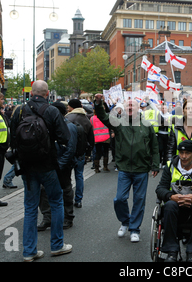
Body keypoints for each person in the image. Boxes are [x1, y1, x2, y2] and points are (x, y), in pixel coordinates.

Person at [10, 80, 72, 262]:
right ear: (47, 94)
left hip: (27, 167)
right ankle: (57, 245)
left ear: (31, 93)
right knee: (56, 202)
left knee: (30, 207)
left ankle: (29, 251)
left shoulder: (19, 111)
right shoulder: (52, 110)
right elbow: (65, 137)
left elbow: (13, 139)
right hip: (48, 165)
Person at [93, 94, 159, 243]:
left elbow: (155, 147)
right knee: (120, 199)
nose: (130, 107)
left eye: (133, 105)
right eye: (127, 105)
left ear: (138, 108)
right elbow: (103, 117)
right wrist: (98, 102)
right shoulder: (118, 123)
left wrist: (155, 164)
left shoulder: (147, 125)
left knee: (139, 200)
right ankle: (125, 221)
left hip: (141, 169)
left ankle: (135, 229)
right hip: (124, 168)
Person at [155, 139, 192, 262]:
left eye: (187, 153)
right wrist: (171, 196)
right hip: (175, 205)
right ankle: (172, 252)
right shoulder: (170, 165)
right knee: (169, 206)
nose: (183, 156)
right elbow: (160, 188)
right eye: (181, 153)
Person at [38, 102, 77, 230]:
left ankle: (68, 217)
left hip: (62, 166)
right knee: (43, 191)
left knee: (65, 190)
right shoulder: (52, 125)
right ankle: (47, 217)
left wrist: (59, 165)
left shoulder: (69, 127)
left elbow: (70, 150)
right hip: (51, 165)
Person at [66, 99, 95, 207]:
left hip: (69, 152)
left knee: (67, 177)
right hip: (81, 153)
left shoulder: (67, 118)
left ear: (72, 107)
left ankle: (68, 198)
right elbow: (91, 138)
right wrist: (88, 153)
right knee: (79, 176)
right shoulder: (86, 119)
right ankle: (78, 199)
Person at [90, 105, 111, 173]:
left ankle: (96, 168)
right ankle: (105, 167)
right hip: (106, 137)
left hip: (97, 137)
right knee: (105, 152)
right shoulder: (105, 117)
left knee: (97, 153)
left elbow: (91, 127)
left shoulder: (92, 118)